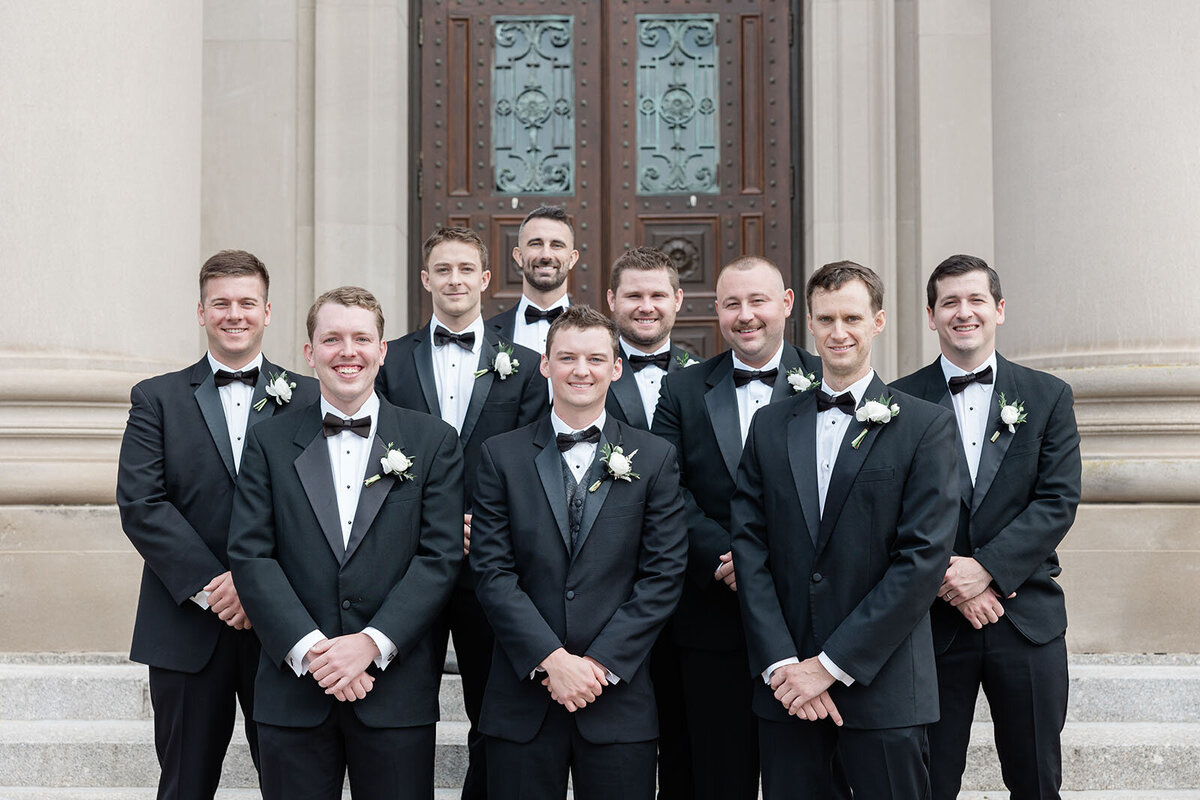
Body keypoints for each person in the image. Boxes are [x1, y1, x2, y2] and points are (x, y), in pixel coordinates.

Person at [732, 260, 958, 799]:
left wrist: (830, 667)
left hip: (883, 686)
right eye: (826, 318)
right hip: (786, 690)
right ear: (807, 322)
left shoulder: (925, 425)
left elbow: (922, 559)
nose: (839, 332)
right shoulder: (770, 424)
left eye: (852, 317)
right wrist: (786, 665)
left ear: (878, 322)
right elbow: (750, 545)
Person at [228, 286, 464, 800]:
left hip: (394, 689)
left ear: (383, 350)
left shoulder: (433, 441)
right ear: (310, 353)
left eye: (362, 338)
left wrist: (370, 645)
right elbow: (251, 554)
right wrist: (315, 651)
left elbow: (439, 558)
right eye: (331, 339)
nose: (347, 351)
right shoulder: (267, 442)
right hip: (295, 690)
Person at [116, 250, 318, 800]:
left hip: (283, 623)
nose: (235, 314)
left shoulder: (310, 397)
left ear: (269, 311)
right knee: (184, 782)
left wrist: (257, 585)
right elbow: (142, 504)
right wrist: (216, 586)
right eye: (221, 303)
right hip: (186, 623)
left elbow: (321, 509)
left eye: (247, 302)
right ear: (200, 312)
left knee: (292, 782)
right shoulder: (156, 398)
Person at [470, 306, 688, 800]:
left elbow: (662, 576)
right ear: (545, 364)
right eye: (566, 357)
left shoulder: (654, 458)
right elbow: (492, 572)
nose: (580, 370)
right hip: (523, 698)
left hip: (617, 698)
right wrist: (552, 660)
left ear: (616, 367)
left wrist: (598, 665)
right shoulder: (500, 456)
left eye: (595, 358)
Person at [890, 254, 1081, 800]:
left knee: (1036, 780)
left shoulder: (1048, 396)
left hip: (1025, 618)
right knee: (929, 781)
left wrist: (989, 571)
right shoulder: (898, 401)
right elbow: (891, 509)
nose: (963, 312)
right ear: (931, 316)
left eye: (975, 300)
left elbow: (1057, 500)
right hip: (931, 624)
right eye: (949, 302)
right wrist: (952, 580)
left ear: (999, 309)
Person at [375, 226, 548, 800]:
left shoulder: (525, 365)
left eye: (465, 269)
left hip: (488, 560)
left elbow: (529, 458)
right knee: (400, 704)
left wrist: (484, 523)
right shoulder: (390, 360)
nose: (455, 280)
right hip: (407, 562)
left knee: (493, 703)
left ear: (485, 279)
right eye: (443, 270)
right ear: (426, 280)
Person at [650, 255, 821, 800]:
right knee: (715, 771)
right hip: (711, 613)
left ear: (787, 305)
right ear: (716, 311)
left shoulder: (829, 379)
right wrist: (729, 559)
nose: (746, 316)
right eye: (732, 304)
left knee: (807, 773)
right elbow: (665, 487)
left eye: (759, 301)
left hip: (808, 619)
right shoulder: (682, 390)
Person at [604, 245, 698, 430]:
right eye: (634, 296)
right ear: (612, 300)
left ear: (677, 300)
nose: (646, 307)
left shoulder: (705, 375)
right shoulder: (591, 375)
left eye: (657, 296)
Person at [485, 205, 578, 354]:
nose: (546, 255)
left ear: (572, 259)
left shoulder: (602, 332)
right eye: (536, 244)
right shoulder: (486, 334)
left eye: (557, 245)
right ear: (519, 256)